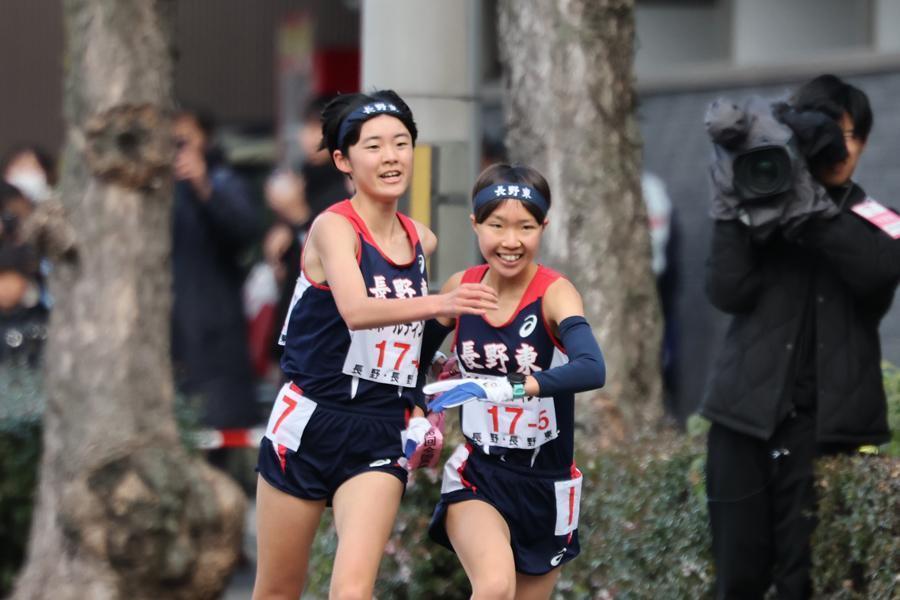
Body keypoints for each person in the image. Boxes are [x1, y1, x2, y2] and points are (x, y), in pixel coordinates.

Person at [252, 90, 499, 599]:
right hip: (310, 419)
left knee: (353, 591)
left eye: (401, 143)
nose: (391, 157)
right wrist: (438, 301)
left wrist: (448, 321)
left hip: (379, 429)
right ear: (343, 159)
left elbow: (411, 340)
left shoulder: (422, 241)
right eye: (374, 146)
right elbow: (358, 312)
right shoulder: (333, 228)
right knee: (278, 589)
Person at [702, 74, 900, 599]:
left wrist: (809, 212)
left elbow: (875, 276)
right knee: (737, 580)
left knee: (802, 584)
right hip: (742, 421)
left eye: (852, 134)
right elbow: (727, 292)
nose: (840, 147)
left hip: (824, 430)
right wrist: (730, 213)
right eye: (829, 132)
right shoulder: (759, 208)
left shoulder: (878, 220)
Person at [419, 163, 607, 600]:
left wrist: (514, 386)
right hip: (479, 474)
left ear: (543, 226)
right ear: (476, 225)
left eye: (525, 226)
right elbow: (416, 359)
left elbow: (592, 368)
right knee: (495, 587)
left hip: (547, 485)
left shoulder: (555, 293)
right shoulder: (461, 288)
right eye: (496, 225)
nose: (510, 241)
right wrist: (419, 406)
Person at [170, 108, 261, 432]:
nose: (176, 150)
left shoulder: (223, 181)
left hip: (212, 335)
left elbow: (244, 231)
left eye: (184, 140)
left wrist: (203, 186)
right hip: (171, 333)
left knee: (217, 427)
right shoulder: (156, 192)